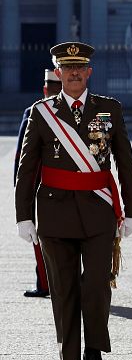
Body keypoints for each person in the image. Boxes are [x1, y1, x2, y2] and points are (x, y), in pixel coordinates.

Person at [15, 41, 132, 360]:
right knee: (63, 289)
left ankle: (95, 351)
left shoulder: (109, 109)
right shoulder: (41, 113)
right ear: (58, 73)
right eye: (66, 68)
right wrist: (23, 216)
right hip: (54, 213)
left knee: (98, 286)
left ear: (89, 72)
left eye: (79, 67)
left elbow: (124, 163)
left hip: (99, 211)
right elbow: (27, 169)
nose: (73, 73)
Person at [15, 68, 62, 298]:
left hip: (64, 182)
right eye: (52, 89)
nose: (54, 93)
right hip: (39, 184)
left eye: (58, 88)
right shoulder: (33, 112)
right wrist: (21, 187)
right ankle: (44, 282)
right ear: (45, 90)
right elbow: (22, 155)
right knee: (39, 238)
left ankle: (56, 282)